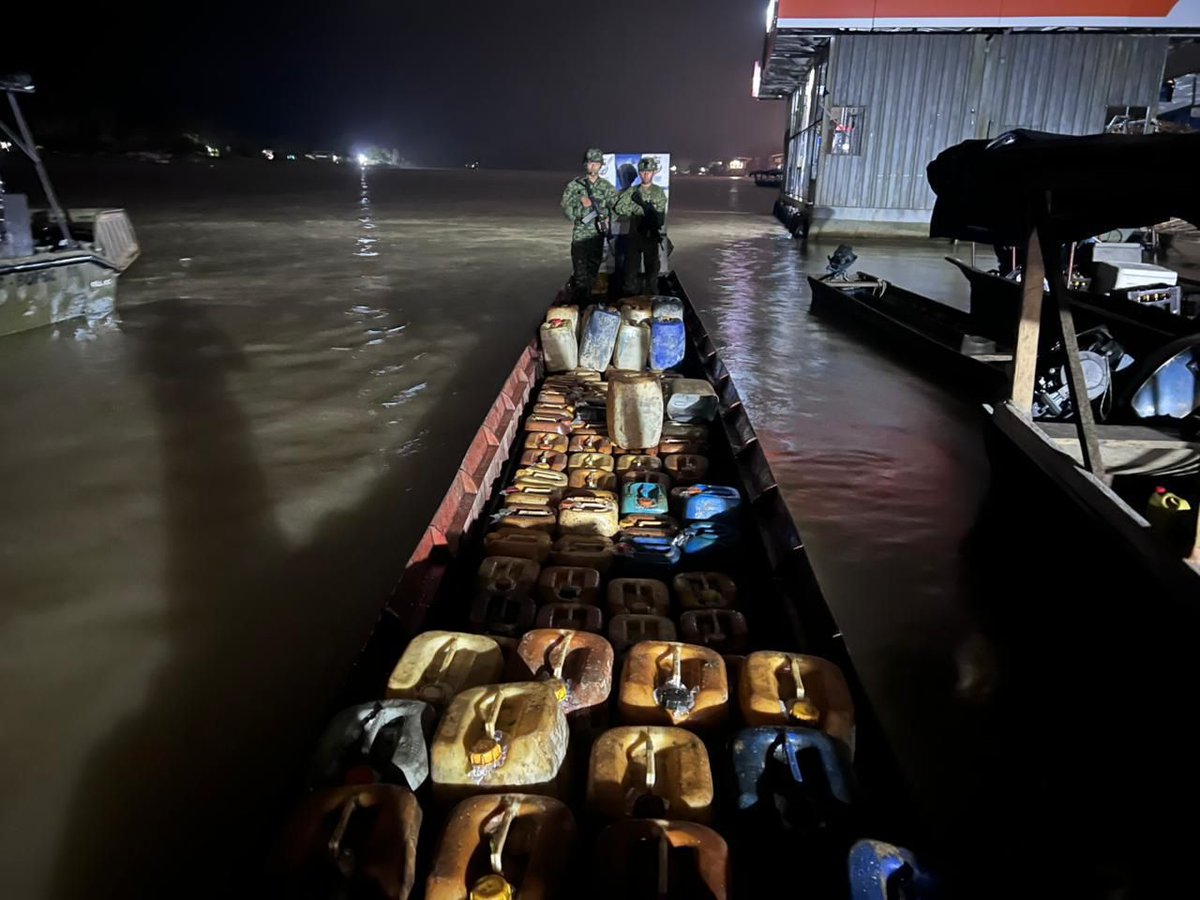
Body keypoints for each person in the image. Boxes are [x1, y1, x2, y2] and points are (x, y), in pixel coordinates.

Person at [561, 148, 618, 304]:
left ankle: (587, 306)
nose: (593, 167)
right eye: (590, 163)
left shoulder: (607, 188)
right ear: (585, 165)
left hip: (596, 237)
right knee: (580, 276)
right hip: (580, 237)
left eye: (596, 163)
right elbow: (567, 211)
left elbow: (617, 208)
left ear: (601, 166)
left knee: (592, 275)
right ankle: (579, 306)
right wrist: (581, 205)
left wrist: (607, 219)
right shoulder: (575, 186)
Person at [615, 156, 668, 294]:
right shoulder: (632, 191)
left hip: (650, 236)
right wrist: (637, 209)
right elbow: (619, 208)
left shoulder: (659, 192)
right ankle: (629, 299)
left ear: (653, 173)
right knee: (630, 271)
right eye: (643, 172)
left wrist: (650, 214)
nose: (645, 175)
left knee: (652, 272)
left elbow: (660, 218)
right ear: (639, 173)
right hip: (634, 236)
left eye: (648, 172)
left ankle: (651, 299)